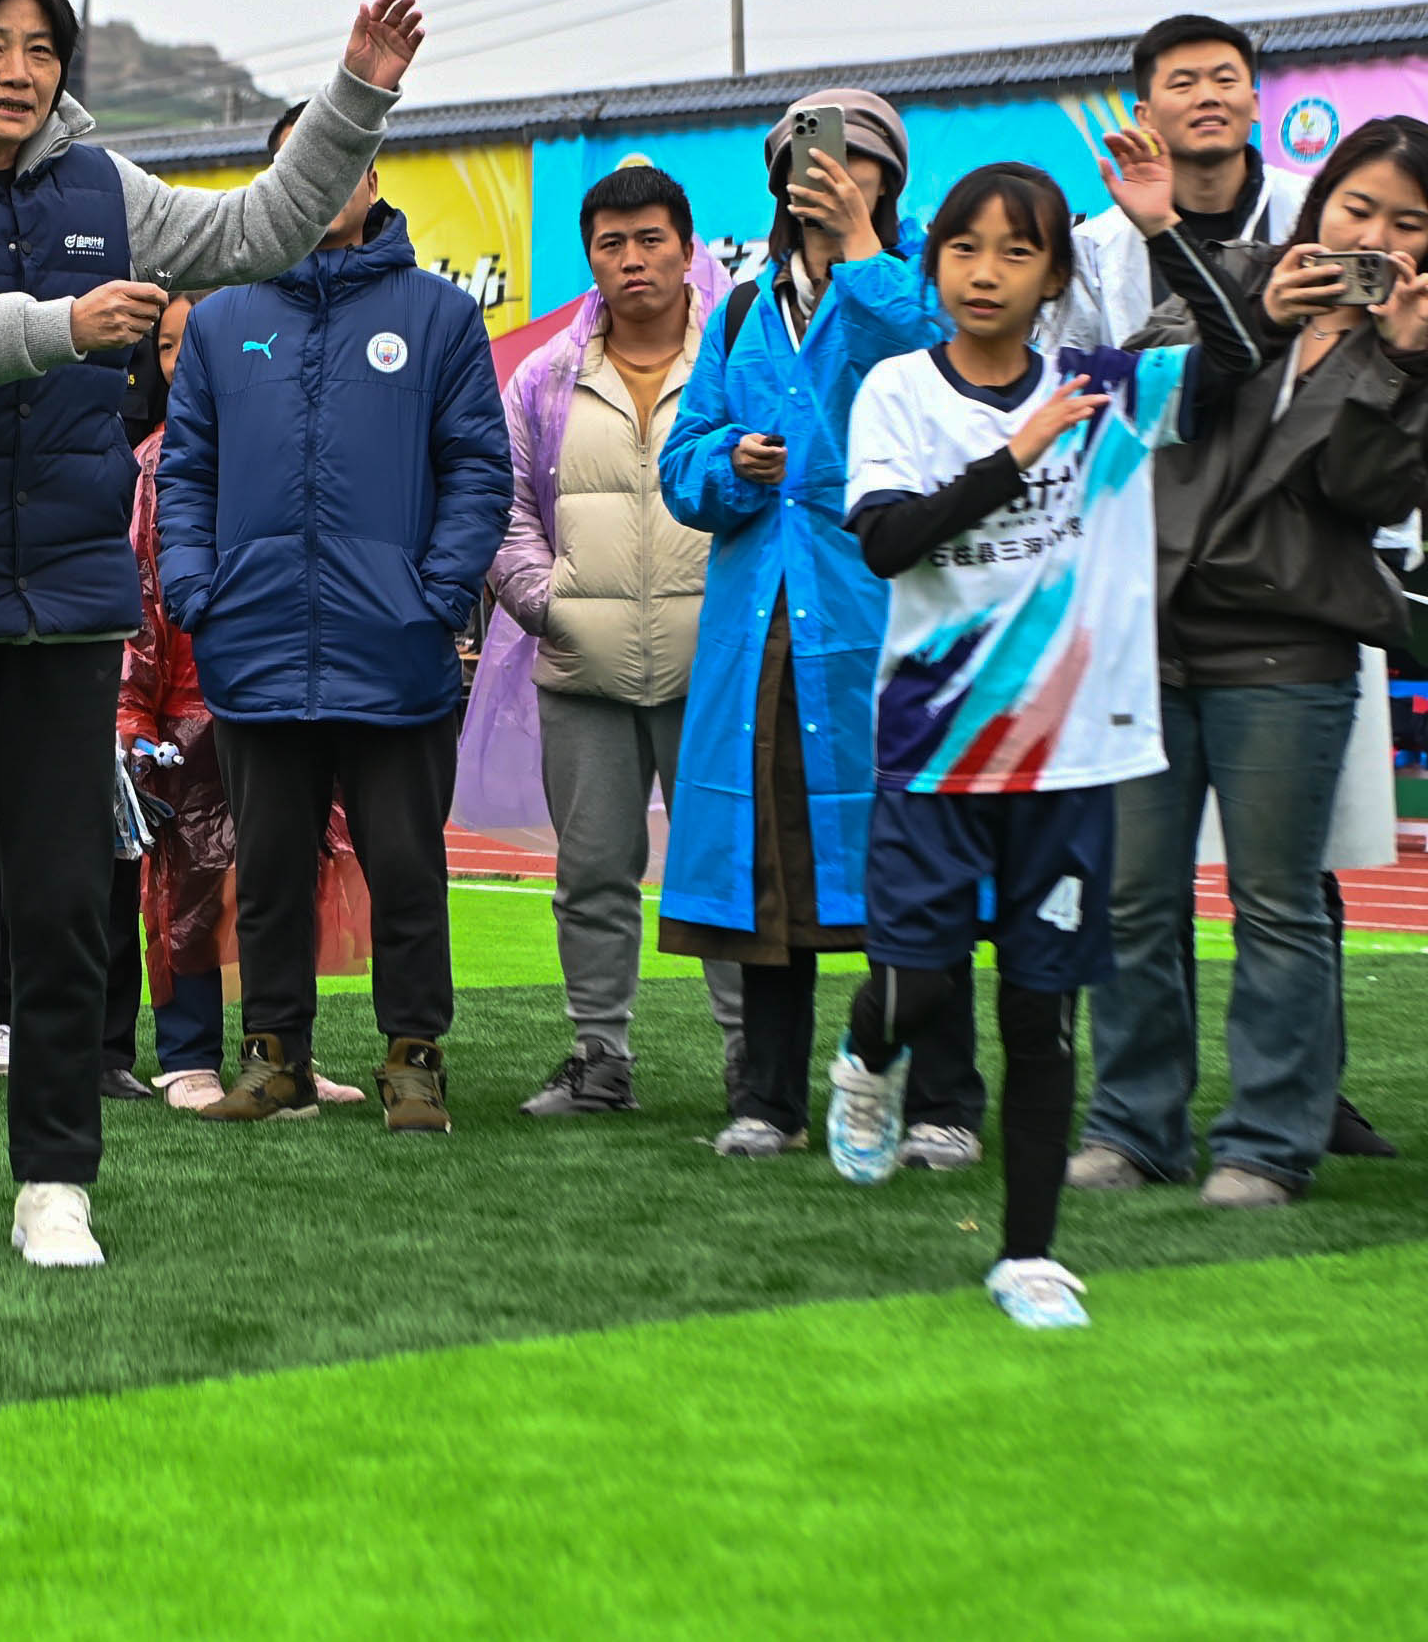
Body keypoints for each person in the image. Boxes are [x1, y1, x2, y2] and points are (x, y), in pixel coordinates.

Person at [0, 0, 424, 1271]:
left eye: (40, 47)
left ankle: (55, 1187)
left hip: (64, 610)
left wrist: (357, 95)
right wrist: (62, 325)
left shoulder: (103, 185)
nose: (20, 70)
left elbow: (260, 229)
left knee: (65, 906)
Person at [824, 142, 1262, 1329]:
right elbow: (885, 541)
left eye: (1018, 252)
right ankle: (868, 1060)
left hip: (1068, 759)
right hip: (932, 749)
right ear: (931, 265)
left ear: (1054, 277)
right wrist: (1013, 456)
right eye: (964, 247)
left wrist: (1163, 228)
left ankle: (1027, 1256)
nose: (985, 271)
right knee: (915, 988)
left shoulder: (1105, 391)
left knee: (1036, 1009)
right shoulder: (897, 394)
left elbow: (1236, 358)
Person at [1074, 116, 1428, 1206]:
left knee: (1277, 902)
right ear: (1317, 204)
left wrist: (1392, 356)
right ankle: (1131, 1127)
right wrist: (1250, 310)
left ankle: (1266, 1143)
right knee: (1132, 901)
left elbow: (1361, 490)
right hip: (1151, 633)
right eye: (1356, 207)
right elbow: (1139, 400)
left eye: (1406, 222)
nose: (1373, 234)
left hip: (1288, 649)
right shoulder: (1233, 272)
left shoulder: (1425, 348)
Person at [156, 104, 507, 1134]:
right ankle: (272, 1061)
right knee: (266, 874)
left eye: (337, 165)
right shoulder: (222, 320)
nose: (317, 185)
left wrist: (434, 595)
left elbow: (476, 471)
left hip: (393, 650)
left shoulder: (437, 316)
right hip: (255, 645)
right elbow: (186, 473)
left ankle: (412, 1061)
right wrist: (195, 591)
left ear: (371, 177)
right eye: (293, 170)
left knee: (404, 868)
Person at [657, 91, 985, 1162]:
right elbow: (682, 462)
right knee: (772, 865)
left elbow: (939, 386)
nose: (829, 174)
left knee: (915, 863)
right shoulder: (741, 309)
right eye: (810, 159)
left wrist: (857, 246)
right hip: (757, 625)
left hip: (882, 618)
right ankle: (767, 1097)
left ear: (887, 178)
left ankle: (941, 1099)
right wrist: (729, 468)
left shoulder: (918, 286)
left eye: (857, 162)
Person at [488, 164, 748, 1116]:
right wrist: (545, 599)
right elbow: (504, 505)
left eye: (651, 240)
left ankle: (751, 1067)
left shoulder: (740, 355)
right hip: (582, 667)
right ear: (589, 257)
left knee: (724, 874)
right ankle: (600, 1059)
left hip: (715, 669)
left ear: (689, 247)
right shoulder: (545, 376)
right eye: (611, 243)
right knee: (591, 874)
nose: (633, 260)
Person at [124, 293, 374, 1111]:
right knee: (186, 878)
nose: (184, 360)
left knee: (287, 874)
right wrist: (135, 710)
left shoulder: (296, 448)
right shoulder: (157, 464)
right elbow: (144, 595)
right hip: (190, 702)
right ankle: (188, 1052)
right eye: (167, 348)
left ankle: (282, 1049)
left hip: (290, 691)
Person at [1041, 14, 1308, 356]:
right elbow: (1067, 374)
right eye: (1183, 84)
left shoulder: (1312, 210)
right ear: (1144, 116)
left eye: (1225, 80)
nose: (1208, 97)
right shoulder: (1094, 249)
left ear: (1255, 104)